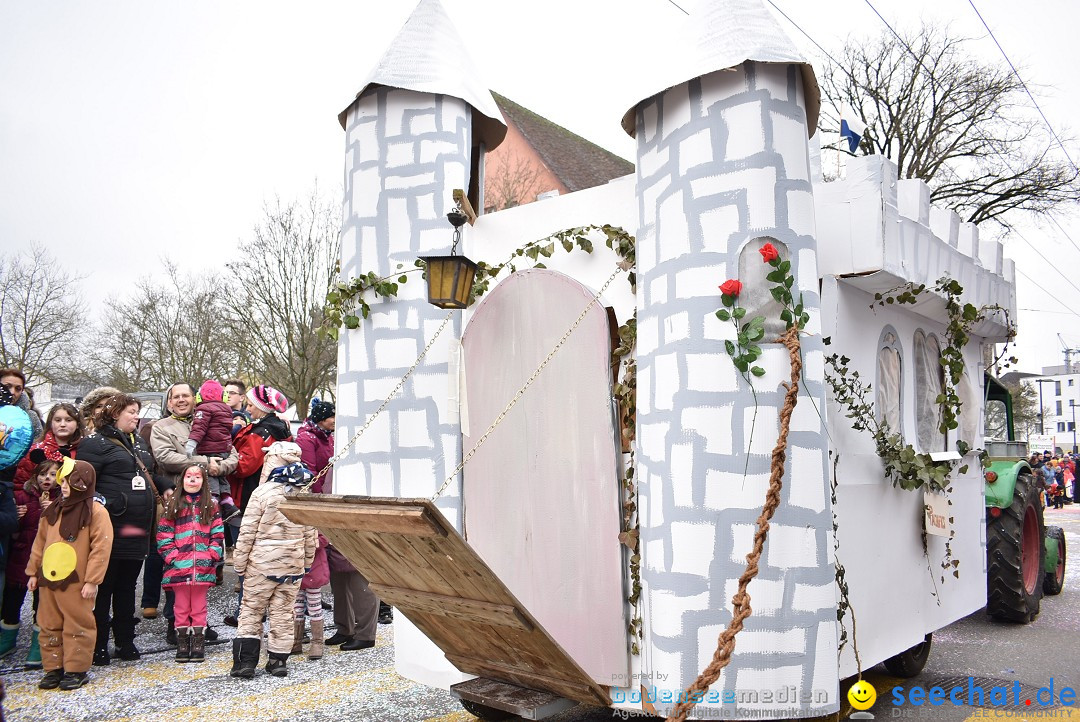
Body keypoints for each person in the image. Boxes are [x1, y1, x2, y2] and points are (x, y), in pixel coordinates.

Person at [79, 393, 173, 665]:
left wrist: (162, 483)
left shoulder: (139, 441)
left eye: (137, 412)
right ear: (114, 413)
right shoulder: (94, 443)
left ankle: (125, 640)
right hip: (110, 525)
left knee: (127, 586)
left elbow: (141, 472)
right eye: (131, 411)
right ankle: (97, 644)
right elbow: (86, 481)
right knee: (104, 586)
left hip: (136, 525)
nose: (136, 416)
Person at [149, 383, 236, 641]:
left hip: (208, 504)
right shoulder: (161, 428)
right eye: (176, 397)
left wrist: (220, 468)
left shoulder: (209, 420)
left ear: (194, 398)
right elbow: (166, 458)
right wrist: (205, 463)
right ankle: (175, 623)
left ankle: (199, 622)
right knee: (178, 562)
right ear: (168, 402)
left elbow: (232, 454)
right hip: (178, 505)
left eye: (185, 395)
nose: (181, 400)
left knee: (203, 563)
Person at [25, 458, 112, 691]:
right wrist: (33, 571)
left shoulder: (95, 511)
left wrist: (93, 580)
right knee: (48, 623)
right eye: (61, 480)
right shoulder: (54, 509)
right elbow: (39, 542)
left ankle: (75, 669)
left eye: (68, 480)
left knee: (78, 624)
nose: (62, 485)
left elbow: (101, 548)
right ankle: (53, 668)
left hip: (77, 581)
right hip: (49, 579)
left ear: (82, 482)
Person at [231, 459, 317, 679]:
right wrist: (306, 563)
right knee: (283, 614)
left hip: (262, 564)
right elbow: (310, 535)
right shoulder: (304, 493)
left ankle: (245, 663)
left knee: (251, 611)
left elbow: (247, 532)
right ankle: (278, 661)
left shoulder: (262, 492)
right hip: (292, 565)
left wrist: (240, 565)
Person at [156, 464, 224, 663]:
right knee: (181, 607)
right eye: (188, 476)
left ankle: (198, 643)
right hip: (179, 568)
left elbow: (217, 533)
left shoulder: (211, 505)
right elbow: (163, 535)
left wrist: (212, 554)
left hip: (203, 566)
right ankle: (182, 642)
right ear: (182, 480)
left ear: (204, 481)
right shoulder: (173, 504)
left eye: (197, 477)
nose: (192, 480)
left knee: (199, 607)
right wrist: (173, 557)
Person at [1, 458, 60, 667]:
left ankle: (38, 645)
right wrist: (16, 518)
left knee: (41, 602)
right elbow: (12, 532)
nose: (48, 479)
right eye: (44, 474)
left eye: (53, 475)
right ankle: (7, 639)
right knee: (12, 599)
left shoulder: (60, 500)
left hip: (48, 560)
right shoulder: (21, 496)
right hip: (21, 556)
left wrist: (53, 510)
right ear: (35, 477)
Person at [229, 384, 292, 518]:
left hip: (248, 496)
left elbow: (243, 466)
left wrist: (227, 458)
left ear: (262, 407)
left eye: (251, 405)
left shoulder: (260, 433)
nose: (247, 409)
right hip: (268, 495)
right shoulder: (279, 429)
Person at [185, 380, 240, 521]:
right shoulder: (227, 409)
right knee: (222, 477)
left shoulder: (203, 409)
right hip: (224, 449)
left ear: (199, 396)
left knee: (211, 475)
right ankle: (227, 500)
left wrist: (191, 443)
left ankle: (213, 500)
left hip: (210, 449)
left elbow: (199, 428)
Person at [14, 403, 83, 485]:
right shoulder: (35, 450)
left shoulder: (84, 449)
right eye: (58, 420)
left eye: (68, 420)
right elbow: (20, 483)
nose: (62, 424)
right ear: (50, 423)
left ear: (77, 424)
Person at [1, 369, 43, 442]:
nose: (12, 392)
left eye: (18, 389)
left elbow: (38, 445)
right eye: (7, 386)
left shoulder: (30, 417)